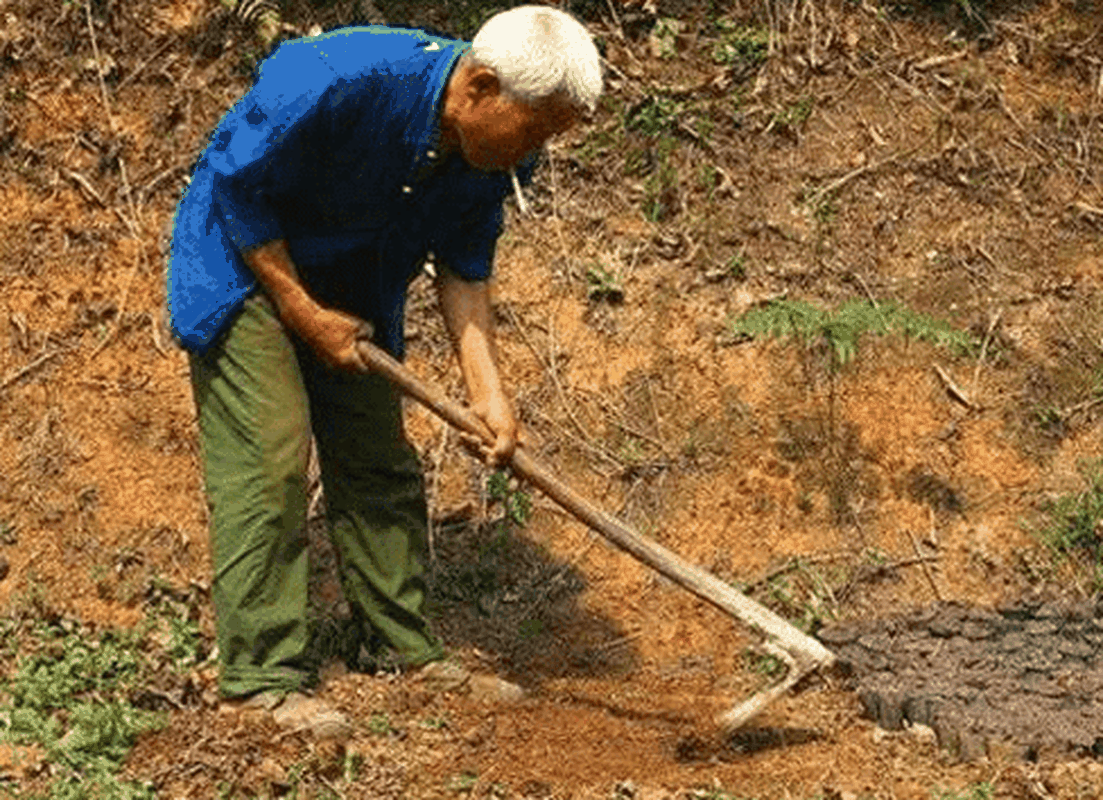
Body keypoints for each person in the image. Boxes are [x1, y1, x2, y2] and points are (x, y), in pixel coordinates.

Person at [167, 5, 602, 732]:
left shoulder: (493, 150)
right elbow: (236, 189)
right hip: (243, 266)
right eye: (537, 129)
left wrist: (488, 396)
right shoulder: (335, 77)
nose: (538, 151)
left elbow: (464, 268)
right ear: (481, 87)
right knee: (269, 459)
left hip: (352, 282)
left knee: (377, 461)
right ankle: (259, 679)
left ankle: (398, 646)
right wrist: (302, 312)